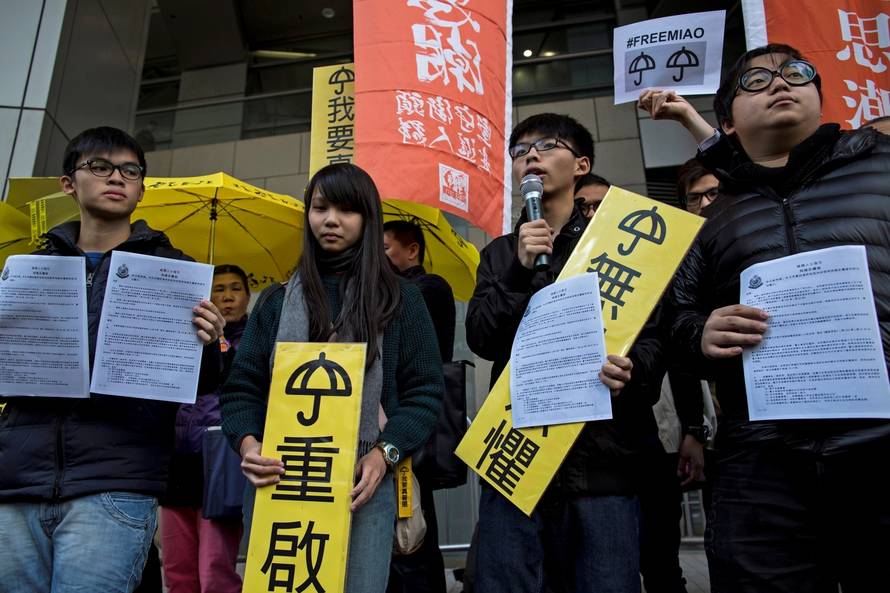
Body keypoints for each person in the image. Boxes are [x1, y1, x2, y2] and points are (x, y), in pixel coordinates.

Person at [655, 44, 890, 592]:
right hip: (762, 458)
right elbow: (675, 320)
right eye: (755, 81)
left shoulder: (880, 165)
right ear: (727, 122)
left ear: (819, 94)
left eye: (796, 73)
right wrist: (701, 333)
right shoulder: (712, 220)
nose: (780, 83)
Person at [0, 126, 225, 593]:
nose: (115, 178)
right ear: (68, 182)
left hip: (116, 482)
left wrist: (207, 343)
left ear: (142, 189)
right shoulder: (29, 268)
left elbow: (197, 384)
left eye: (129, 170)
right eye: (99, 167)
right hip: (16, 483)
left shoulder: (173, 269)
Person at [220, 163, 445, 593]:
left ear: (368, 218)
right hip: (281, 482)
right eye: (320, 207)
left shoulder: (403, 302)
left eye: (346, 210)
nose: (330, 220)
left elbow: (425, 393)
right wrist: (249, 443)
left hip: (362, 484)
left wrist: (384, 454)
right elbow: (242, 388)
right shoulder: (276, 302)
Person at [466, 113, 664, 593]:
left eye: (547, 145)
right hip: (516, 457)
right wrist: (517, 271)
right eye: (520, 151)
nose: (530, 155)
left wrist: (633, 371)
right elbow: (481, 338)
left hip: (601, 460)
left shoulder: (619, 247)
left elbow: (656, 340)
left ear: (581, 165)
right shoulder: (499, 253)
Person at [160, 264, 251, 593]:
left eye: (235, 289)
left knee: (215, 570)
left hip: (220, 460)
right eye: (218, 289)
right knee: (177, 569)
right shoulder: (182, 333)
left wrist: (219, 345)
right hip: (177, 461)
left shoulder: (255, 340)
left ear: (247, 296)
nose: (226, 296)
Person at [382, 219, 454, 593]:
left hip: (412, 431)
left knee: (412, 538)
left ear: (413, 251)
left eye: (385, 249)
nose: (377, 259)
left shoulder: (429, 289)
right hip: (383, 433)